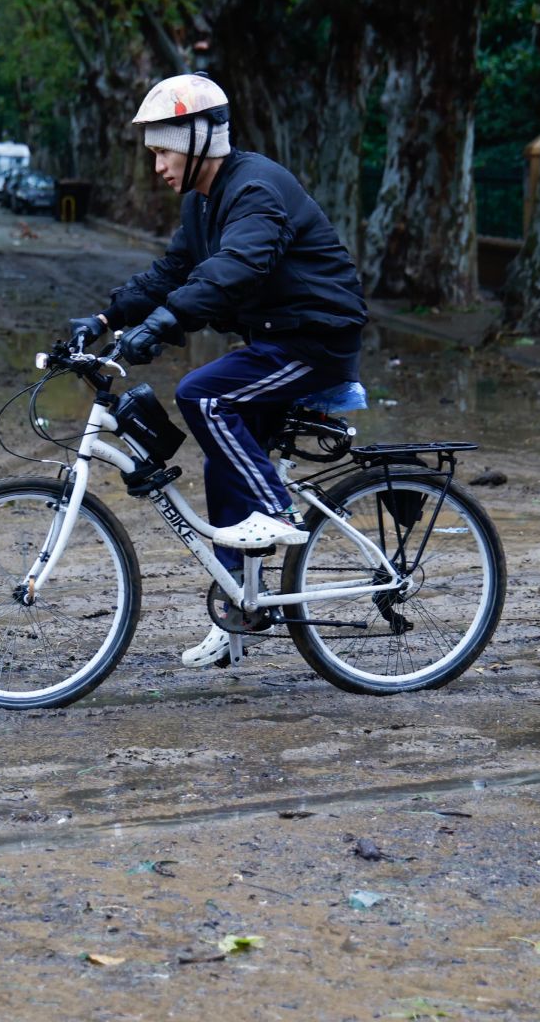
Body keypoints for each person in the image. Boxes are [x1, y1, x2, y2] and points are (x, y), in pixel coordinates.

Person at [67, 73, 367, 667]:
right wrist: (105, 316)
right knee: (222, 456)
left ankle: (277, 513)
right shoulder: (203, 202)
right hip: (276, 341)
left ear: (200, 140)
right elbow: (174, 269)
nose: (156, 165)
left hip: (315, 342)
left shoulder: (256, 190)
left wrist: (163, 325)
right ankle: (241, 609)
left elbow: (235, 269)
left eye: (162, 150)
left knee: (204, 396)